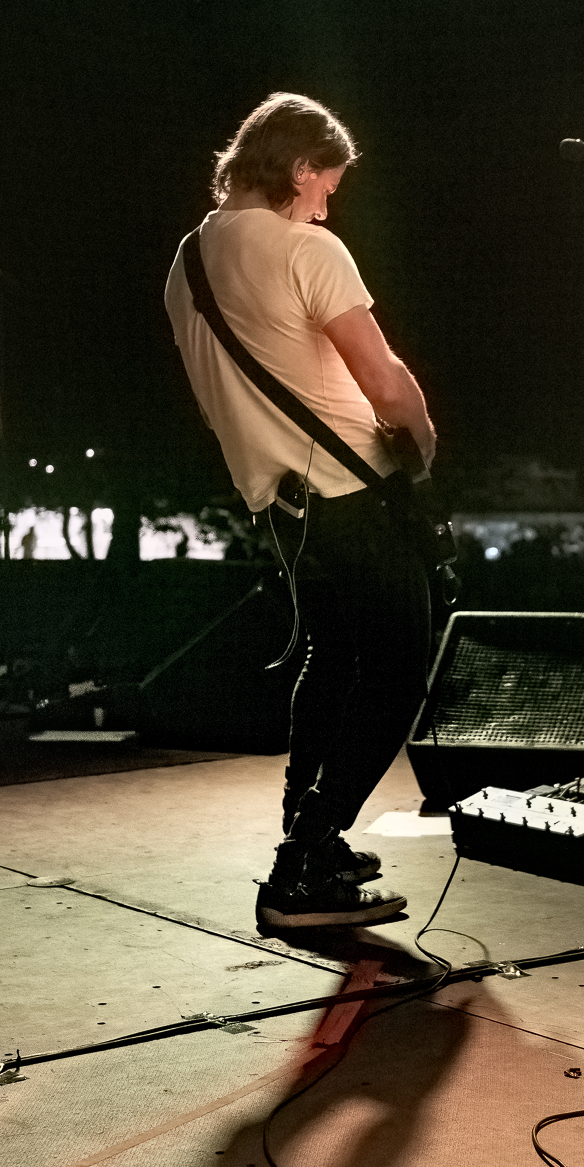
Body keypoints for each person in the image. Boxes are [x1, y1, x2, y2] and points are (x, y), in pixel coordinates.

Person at [165, 92, 435, 930]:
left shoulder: (187, 262)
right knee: (398, 669)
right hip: (354, 490)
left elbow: (215, 401)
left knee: (331, 654)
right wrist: (424, 450)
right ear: (298, 166)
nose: (325, 206)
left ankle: (307, 833)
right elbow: (385, 379)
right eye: (325, 186)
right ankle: (306, 857)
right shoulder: (306, 248)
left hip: (280, 504)